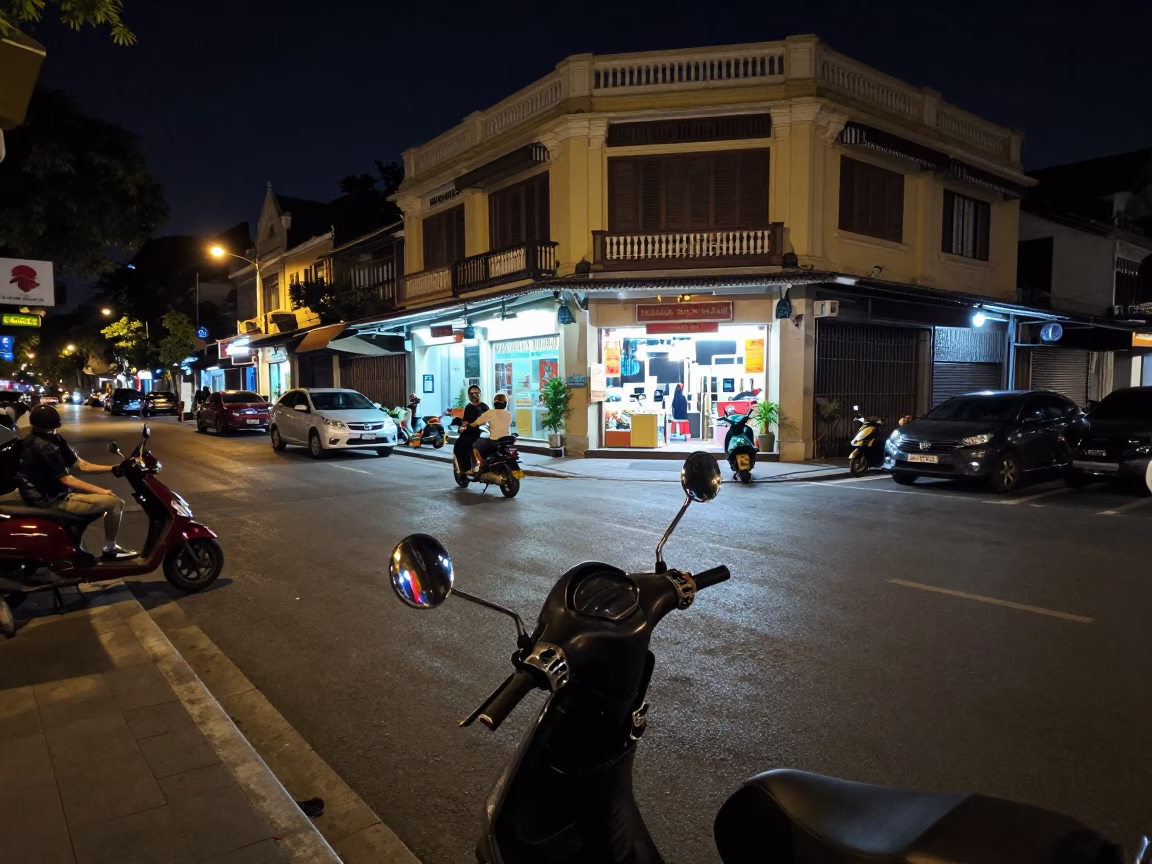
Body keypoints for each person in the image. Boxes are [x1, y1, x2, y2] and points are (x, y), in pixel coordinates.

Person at [16, 404, 136, 559]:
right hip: (50, 498)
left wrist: (115, 468)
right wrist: (100, 490)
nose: (54, 430)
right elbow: (66, 479)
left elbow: (81, 465)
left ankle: (76, 543)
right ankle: (110, 549)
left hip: (54, 492)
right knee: (115, 502)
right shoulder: (43, 446)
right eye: (52, 427)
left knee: (98, 499)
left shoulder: (53, 439)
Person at [463, 392, 513, 473]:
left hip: (495, 440)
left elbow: (477, 422)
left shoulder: (490, 413)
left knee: (475, 445)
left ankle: (480, 464)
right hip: (507, 440)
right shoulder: (509, 414)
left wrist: (470, 425)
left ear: (495, 402)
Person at [453, 385, 487, 474]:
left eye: (476, 393)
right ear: (469, 395)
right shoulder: (468, 408)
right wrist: (463, 425)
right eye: (472, 393)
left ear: (480, 394)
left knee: (463, 442)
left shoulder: (484, 407)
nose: (474, 395)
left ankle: (466, 468)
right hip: (473, 431)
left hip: (482, 432)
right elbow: (465, 421)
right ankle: (467, 468)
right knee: (460, 442)